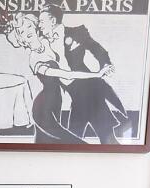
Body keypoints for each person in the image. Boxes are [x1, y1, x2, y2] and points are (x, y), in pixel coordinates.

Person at [0, 12, 112, 144]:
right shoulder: (35, 60)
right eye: (21, 31)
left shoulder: (46, 40)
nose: (27, 32)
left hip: (56, 103)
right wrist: (97, 74)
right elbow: (67, 74)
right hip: (43, 109)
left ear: (35, 27)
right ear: (21, 39)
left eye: (29, 26)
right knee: (77, 144)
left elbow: (61, 35)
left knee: (44, 142)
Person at [37, 3, 128, 144]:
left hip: (89, 88)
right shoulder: (41, 42)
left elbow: (97, 49)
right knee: (79, 138)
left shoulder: (77, 32)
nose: (39, 25)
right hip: (76, 95)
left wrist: (105, 64)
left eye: (42, 21)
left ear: (53, 20)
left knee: (95, 137)